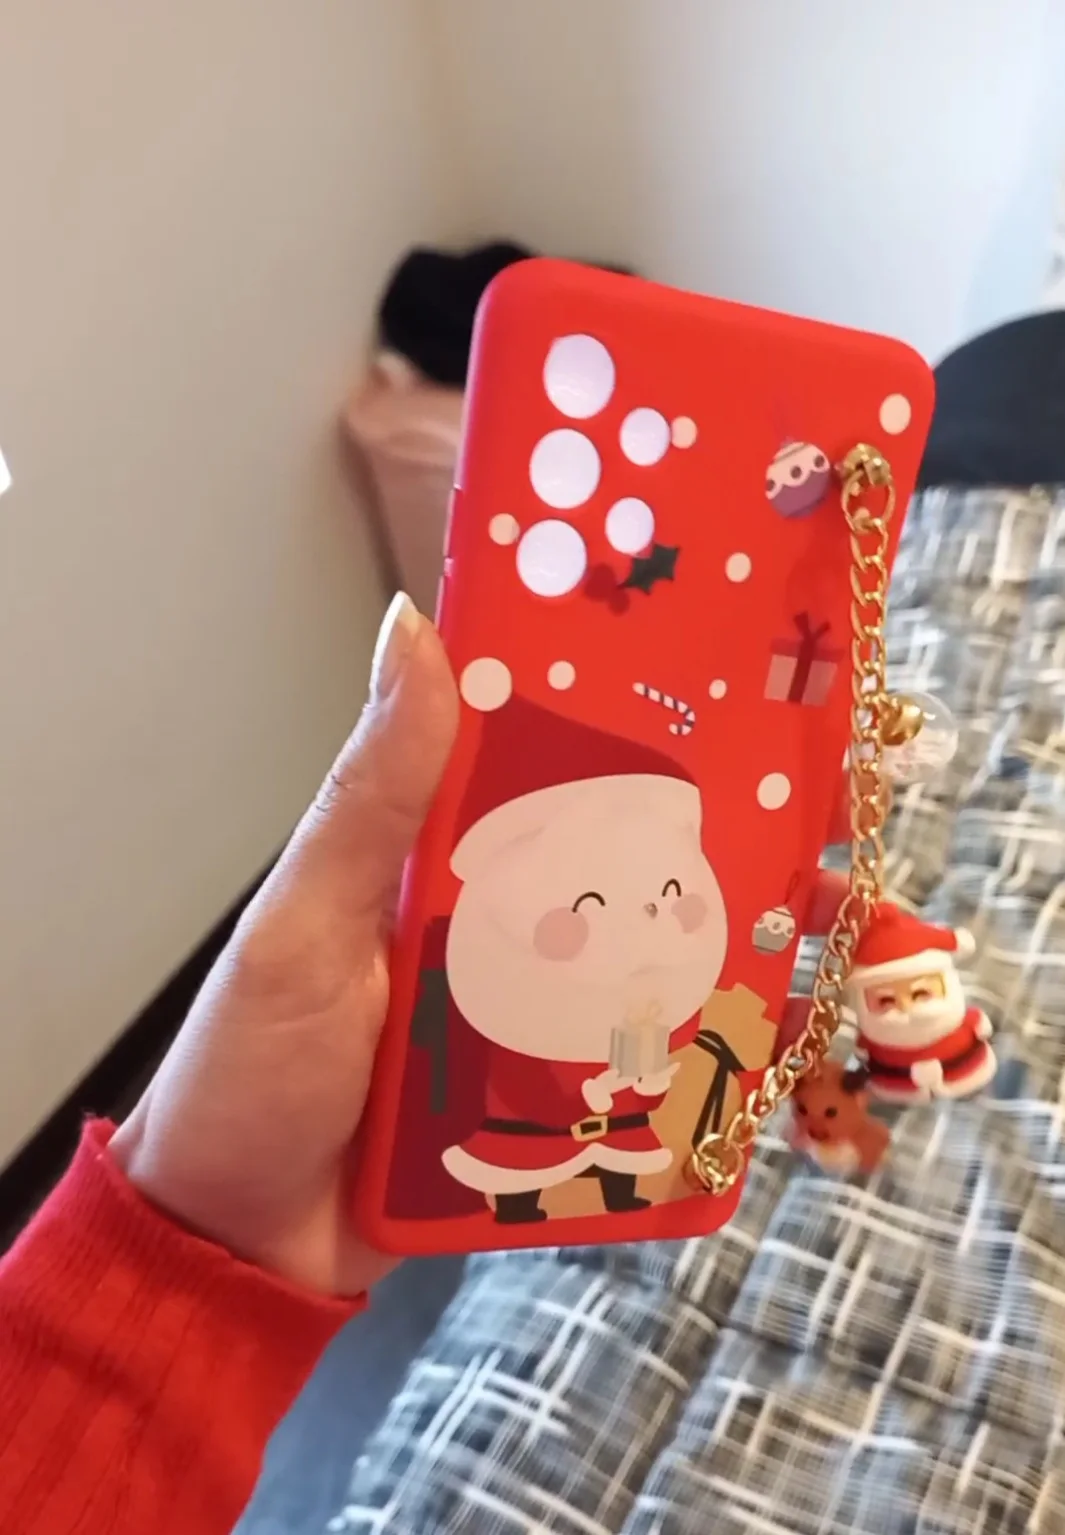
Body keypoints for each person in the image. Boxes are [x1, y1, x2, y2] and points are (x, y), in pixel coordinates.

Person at [0, 595, 846, 1534]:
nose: (640, 927)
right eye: (592, 909)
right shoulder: (473, 1002)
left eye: (667, 899)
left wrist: (188, 1237)